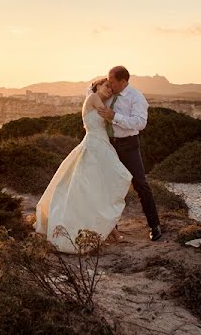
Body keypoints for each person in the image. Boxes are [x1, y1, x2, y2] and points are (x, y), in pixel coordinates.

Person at [34, 77, 133, 253]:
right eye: (106, 85)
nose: (110, 89)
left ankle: (109, 229)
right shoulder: (94, 97)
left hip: (100, 144)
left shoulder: (98, 100)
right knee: (115, 178)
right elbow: (110, 117)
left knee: (99, 186)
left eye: (111, 87)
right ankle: (105, 230)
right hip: (95, 145)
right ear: (96, 86)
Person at [97, 65, 162, 241]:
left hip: (128, 145)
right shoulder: (108, 94)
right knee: (109, 186)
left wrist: (114, 117)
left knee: (140, 184)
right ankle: (111, 228)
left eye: (112, 81)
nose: (109, 84)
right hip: (108, 144)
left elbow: (140, 123)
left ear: (123, 81)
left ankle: (154, 225)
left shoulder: (136, 97)